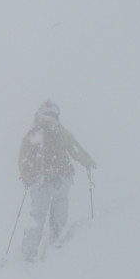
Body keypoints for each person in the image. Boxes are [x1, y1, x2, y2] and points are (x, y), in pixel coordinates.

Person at [18, 100, 96, 261]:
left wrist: (26, 175)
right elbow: (75, 149)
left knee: (37, 215)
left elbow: (23, 157)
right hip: (61, 178)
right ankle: (56, 236)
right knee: (60, 205)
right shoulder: (61, 131)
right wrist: (87, 161)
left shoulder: (32, 133)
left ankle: (29, 250)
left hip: (39, 180)